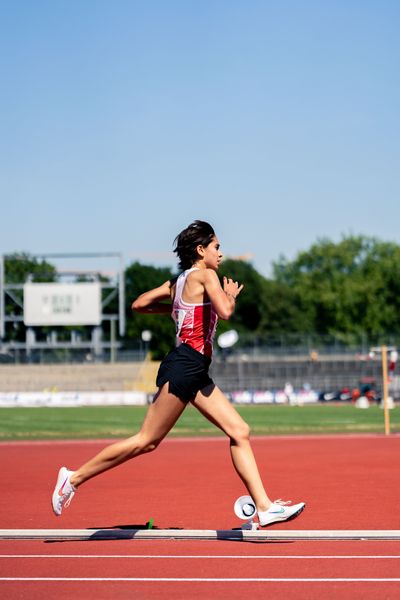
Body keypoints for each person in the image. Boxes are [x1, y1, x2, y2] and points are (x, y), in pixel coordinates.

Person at [52, 220, 305, 526]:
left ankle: (264, 507)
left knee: (239, 431)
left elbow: (139, 304)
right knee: (146, 440)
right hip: (186, 364)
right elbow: (225, 312)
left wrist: (174, 307)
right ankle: (72, 478)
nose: (220, 253)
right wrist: (230, 296)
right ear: (201, 250)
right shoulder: (206, 275)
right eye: (216, 247)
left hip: (196, 368)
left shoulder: (178, 281)